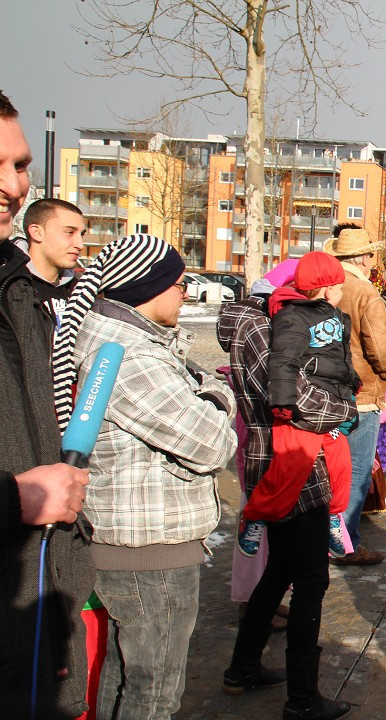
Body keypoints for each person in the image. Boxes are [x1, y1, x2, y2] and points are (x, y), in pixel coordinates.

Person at [52, 234, 237, 718]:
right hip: (148, 550)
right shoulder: (130, 355)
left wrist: (207, 391)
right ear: (145, 289)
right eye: (179, 284)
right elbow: (213, 443)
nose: (187, 293)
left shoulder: (132, 342)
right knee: (153, 693)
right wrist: (218, 397)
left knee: (126, 681)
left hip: (139, 543)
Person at [219, 263, 353, 720]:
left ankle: (242, 669)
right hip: (294, 464)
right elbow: (300, 400)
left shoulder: (260, 322)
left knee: (279, 569)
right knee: (311, 580)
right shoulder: (265, 329)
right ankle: (302, 700)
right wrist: (343, 407)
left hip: (276, 457)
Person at [0, 89, 95, 720]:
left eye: (21, 165)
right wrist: (15, 498)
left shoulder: (16, 294)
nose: (15, 184)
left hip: (36, 602)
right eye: (4, 166)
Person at [237, 251, 359, 559]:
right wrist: (283, 401)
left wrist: (350, 393)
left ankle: (334, 514)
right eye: (341, 287)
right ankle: (256, 516)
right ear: (329, 287)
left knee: (342, 464)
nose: (342, 294)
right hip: (300, 408)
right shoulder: (292, 316)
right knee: (291, 467)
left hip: (331, 403)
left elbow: (343, 362)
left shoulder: (338, 318)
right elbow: (283, 361)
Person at [216, 262, 298, 627]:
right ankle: (252, 601)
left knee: (264, 521)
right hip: (261, 438)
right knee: (256, 520)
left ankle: (262, 597)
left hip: (262, 435)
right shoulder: (262, 327)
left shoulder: (261, 323)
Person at [322, 225, 386, 567]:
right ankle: (345, 543)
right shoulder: (364, 291)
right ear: (366, 257)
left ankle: (325, 537)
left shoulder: (328, 286)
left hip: (327, 391)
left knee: (326, 471)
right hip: (362, 394)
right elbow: (381, 346)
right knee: (354, 473)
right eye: (373, 254)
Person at [20, 198, 86, 342]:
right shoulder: (10, 287)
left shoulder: (81, 291)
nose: (80, 244)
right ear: (37, 233)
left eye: (82, 234)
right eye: (69, 232)